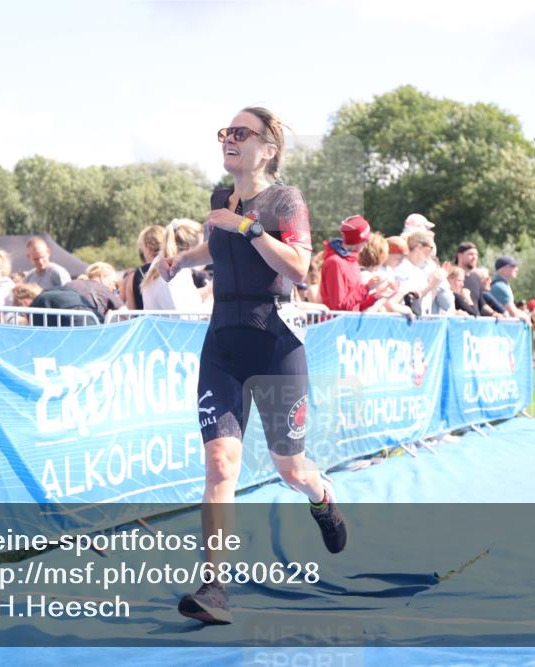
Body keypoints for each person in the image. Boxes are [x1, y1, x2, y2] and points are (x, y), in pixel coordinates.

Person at [158, 107, 346, 625]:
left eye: (241, 133)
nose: (230, 139)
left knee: (291, 469)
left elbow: (300, 267)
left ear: (268, 148)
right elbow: (219, 244)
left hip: (276, 344)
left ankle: (323, 498)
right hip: (223, 346)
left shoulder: (286, 200)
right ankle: (215, 587)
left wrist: (248, 226)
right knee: (220, 465)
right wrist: (183, 259)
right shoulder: (221, 200)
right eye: (226, 132)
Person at [319, 215, 393, 312]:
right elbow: (339, 307)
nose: (367, 243)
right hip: (336, 325)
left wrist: (376, 296)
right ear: (359, 240)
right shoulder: (335, 262)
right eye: (366, 239)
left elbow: (355, 306)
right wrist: (367, 287)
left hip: (349, 323)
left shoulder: (353, 260)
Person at [141, 219, 207, 311]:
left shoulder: (162, 264)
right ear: (189, 247)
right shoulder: (173, 272)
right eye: (200, 246)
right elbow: (184, 317)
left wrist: (209, 291)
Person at [121, 225, 164, 310]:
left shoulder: (132, 277)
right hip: (175, 322)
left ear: (147, 247)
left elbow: (131, 312)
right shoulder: (177, 269)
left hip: (147, 322)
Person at [489, 256, 530, 322]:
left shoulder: (501, 285)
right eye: (513, 266)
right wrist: (526, 317)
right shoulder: (500, 286)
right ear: (503, 269)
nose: (517, 269)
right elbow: (513, 313)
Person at [455, 242, 483, 308]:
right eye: (471, 254)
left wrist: (494, 313)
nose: (474, 257)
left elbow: (481, 304)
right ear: (460, 255)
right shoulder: (451, 276)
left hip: (476, 316)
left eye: (476, 255)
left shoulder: (476, 277)